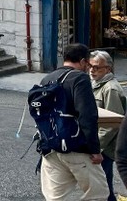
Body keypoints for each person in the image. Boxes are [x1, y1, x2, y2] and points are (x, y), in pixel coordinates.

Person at [37, 43, 106, 201]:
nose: (88, 68)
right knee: (98, 193)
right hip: (76, 147)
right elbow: (87, 115)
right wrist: (94, 149)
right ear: (82, 61)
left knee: (55, 197)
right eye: (88, 64)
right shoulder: (79, 78)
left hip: (50, 148)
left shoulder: (47, 78)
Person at [90, 50, 126, 201]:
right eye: (91, 66)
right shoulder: (96, 84)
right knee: (101, 185)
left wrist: (96, 147)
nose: (92, 70)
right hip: (100, 145)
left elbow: (112, 123)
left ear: (108, 69)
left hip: (105, 147)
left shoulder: (110, 89)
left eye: (97, 67)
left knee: (104, 186)